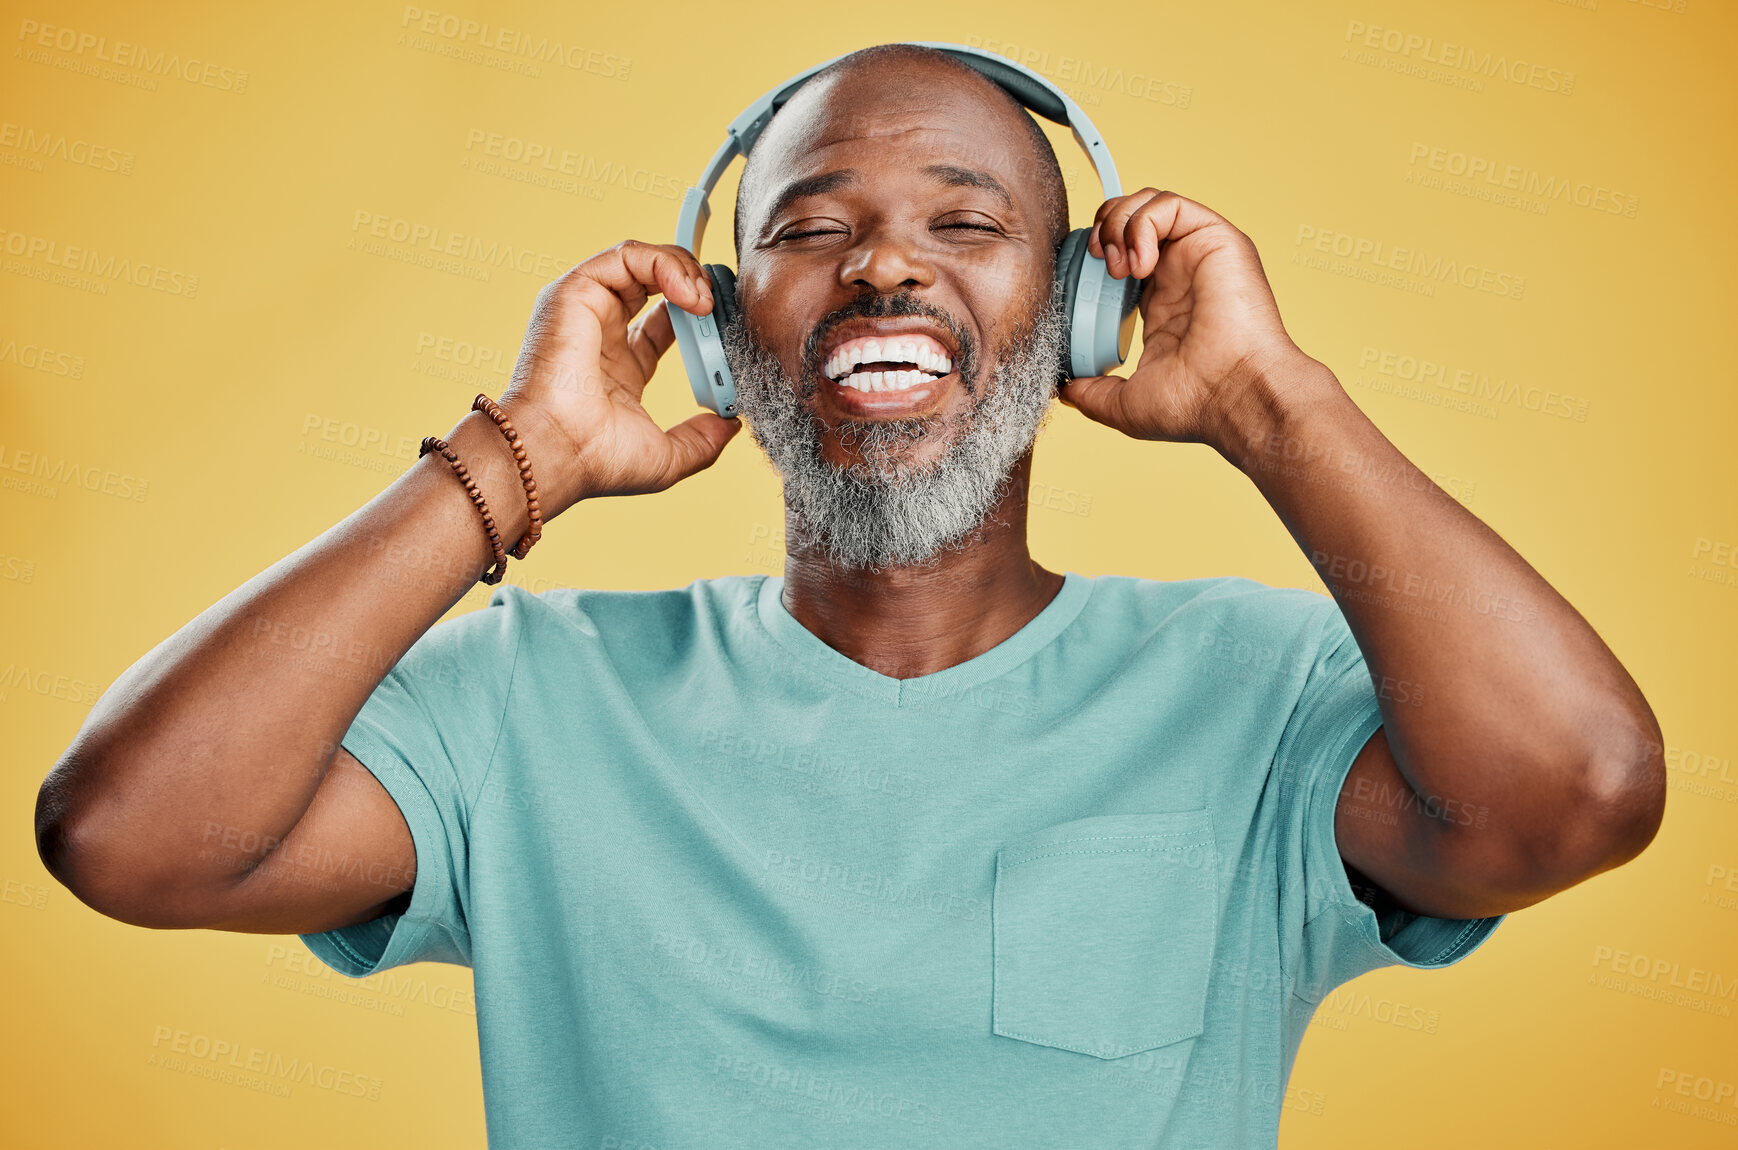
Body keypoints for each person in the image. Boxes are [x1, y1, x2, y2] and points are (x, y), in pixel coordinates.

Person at [36, 42, 1663, 1148]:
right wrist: (514, 455)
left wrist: (1267, 403)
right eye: (811, 228)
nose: (886, 268)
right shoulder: (526, 696)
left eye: (968, 222)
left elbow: (1576, 791)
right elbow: (126, 833)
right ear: (728, 327)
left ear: (1085, 311)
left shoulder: (1255, 689)